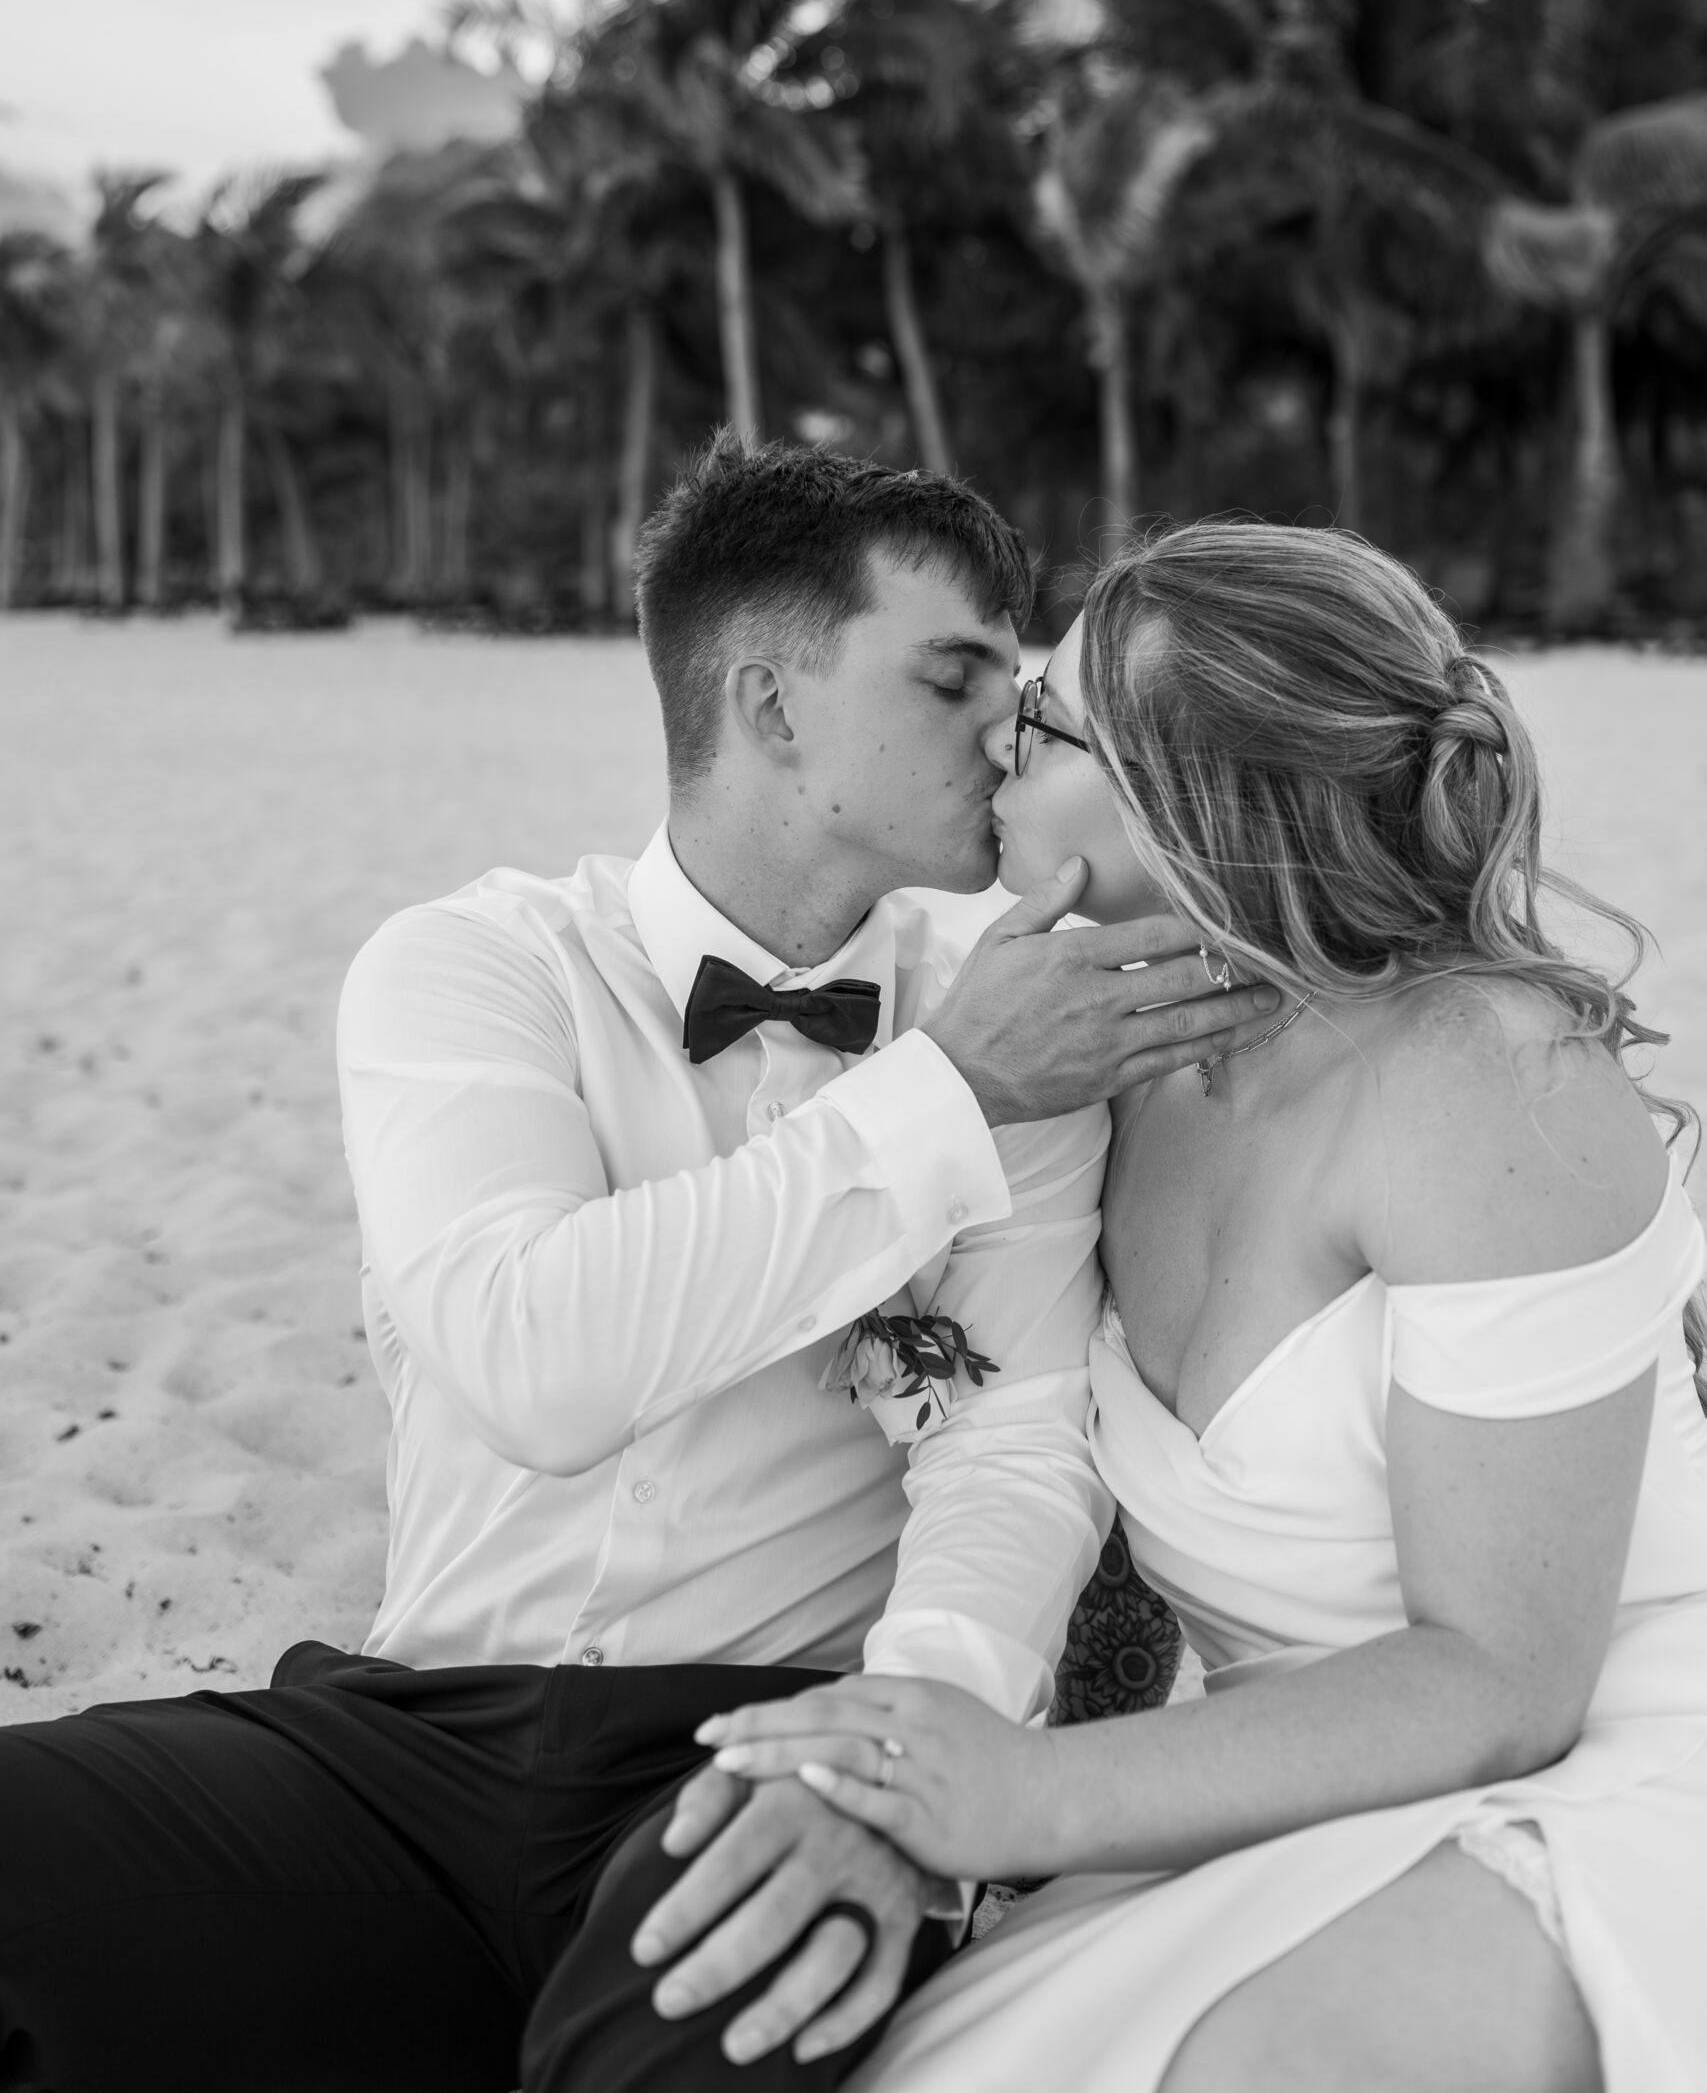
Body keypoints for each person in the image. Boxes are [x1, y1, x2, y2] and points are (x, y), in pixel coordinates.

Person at [0, 441, 1279, 2093]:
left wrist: (901, 1756)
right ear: (770, 704)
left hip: (759, 1745)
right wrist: (941, 1097)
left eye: (1019, 685)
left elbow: (1014, 1443)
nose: (1011, 730)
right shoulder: (471, 968)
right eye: (957, 676)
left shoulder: (1012, 1009)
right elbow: (536, 1362)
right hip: (407, 1745)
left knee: (713, 2009)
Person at [694, 520, 1707, 2093]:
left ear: (1195, 797)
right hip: (1262, 1799)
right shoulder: (1120, 1065)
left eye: (1043, 722)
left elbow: (1509, 1680)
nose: (995, 744)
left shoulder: (1485, 1080)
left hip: (1592, 1768)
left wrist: (1027, 1799)